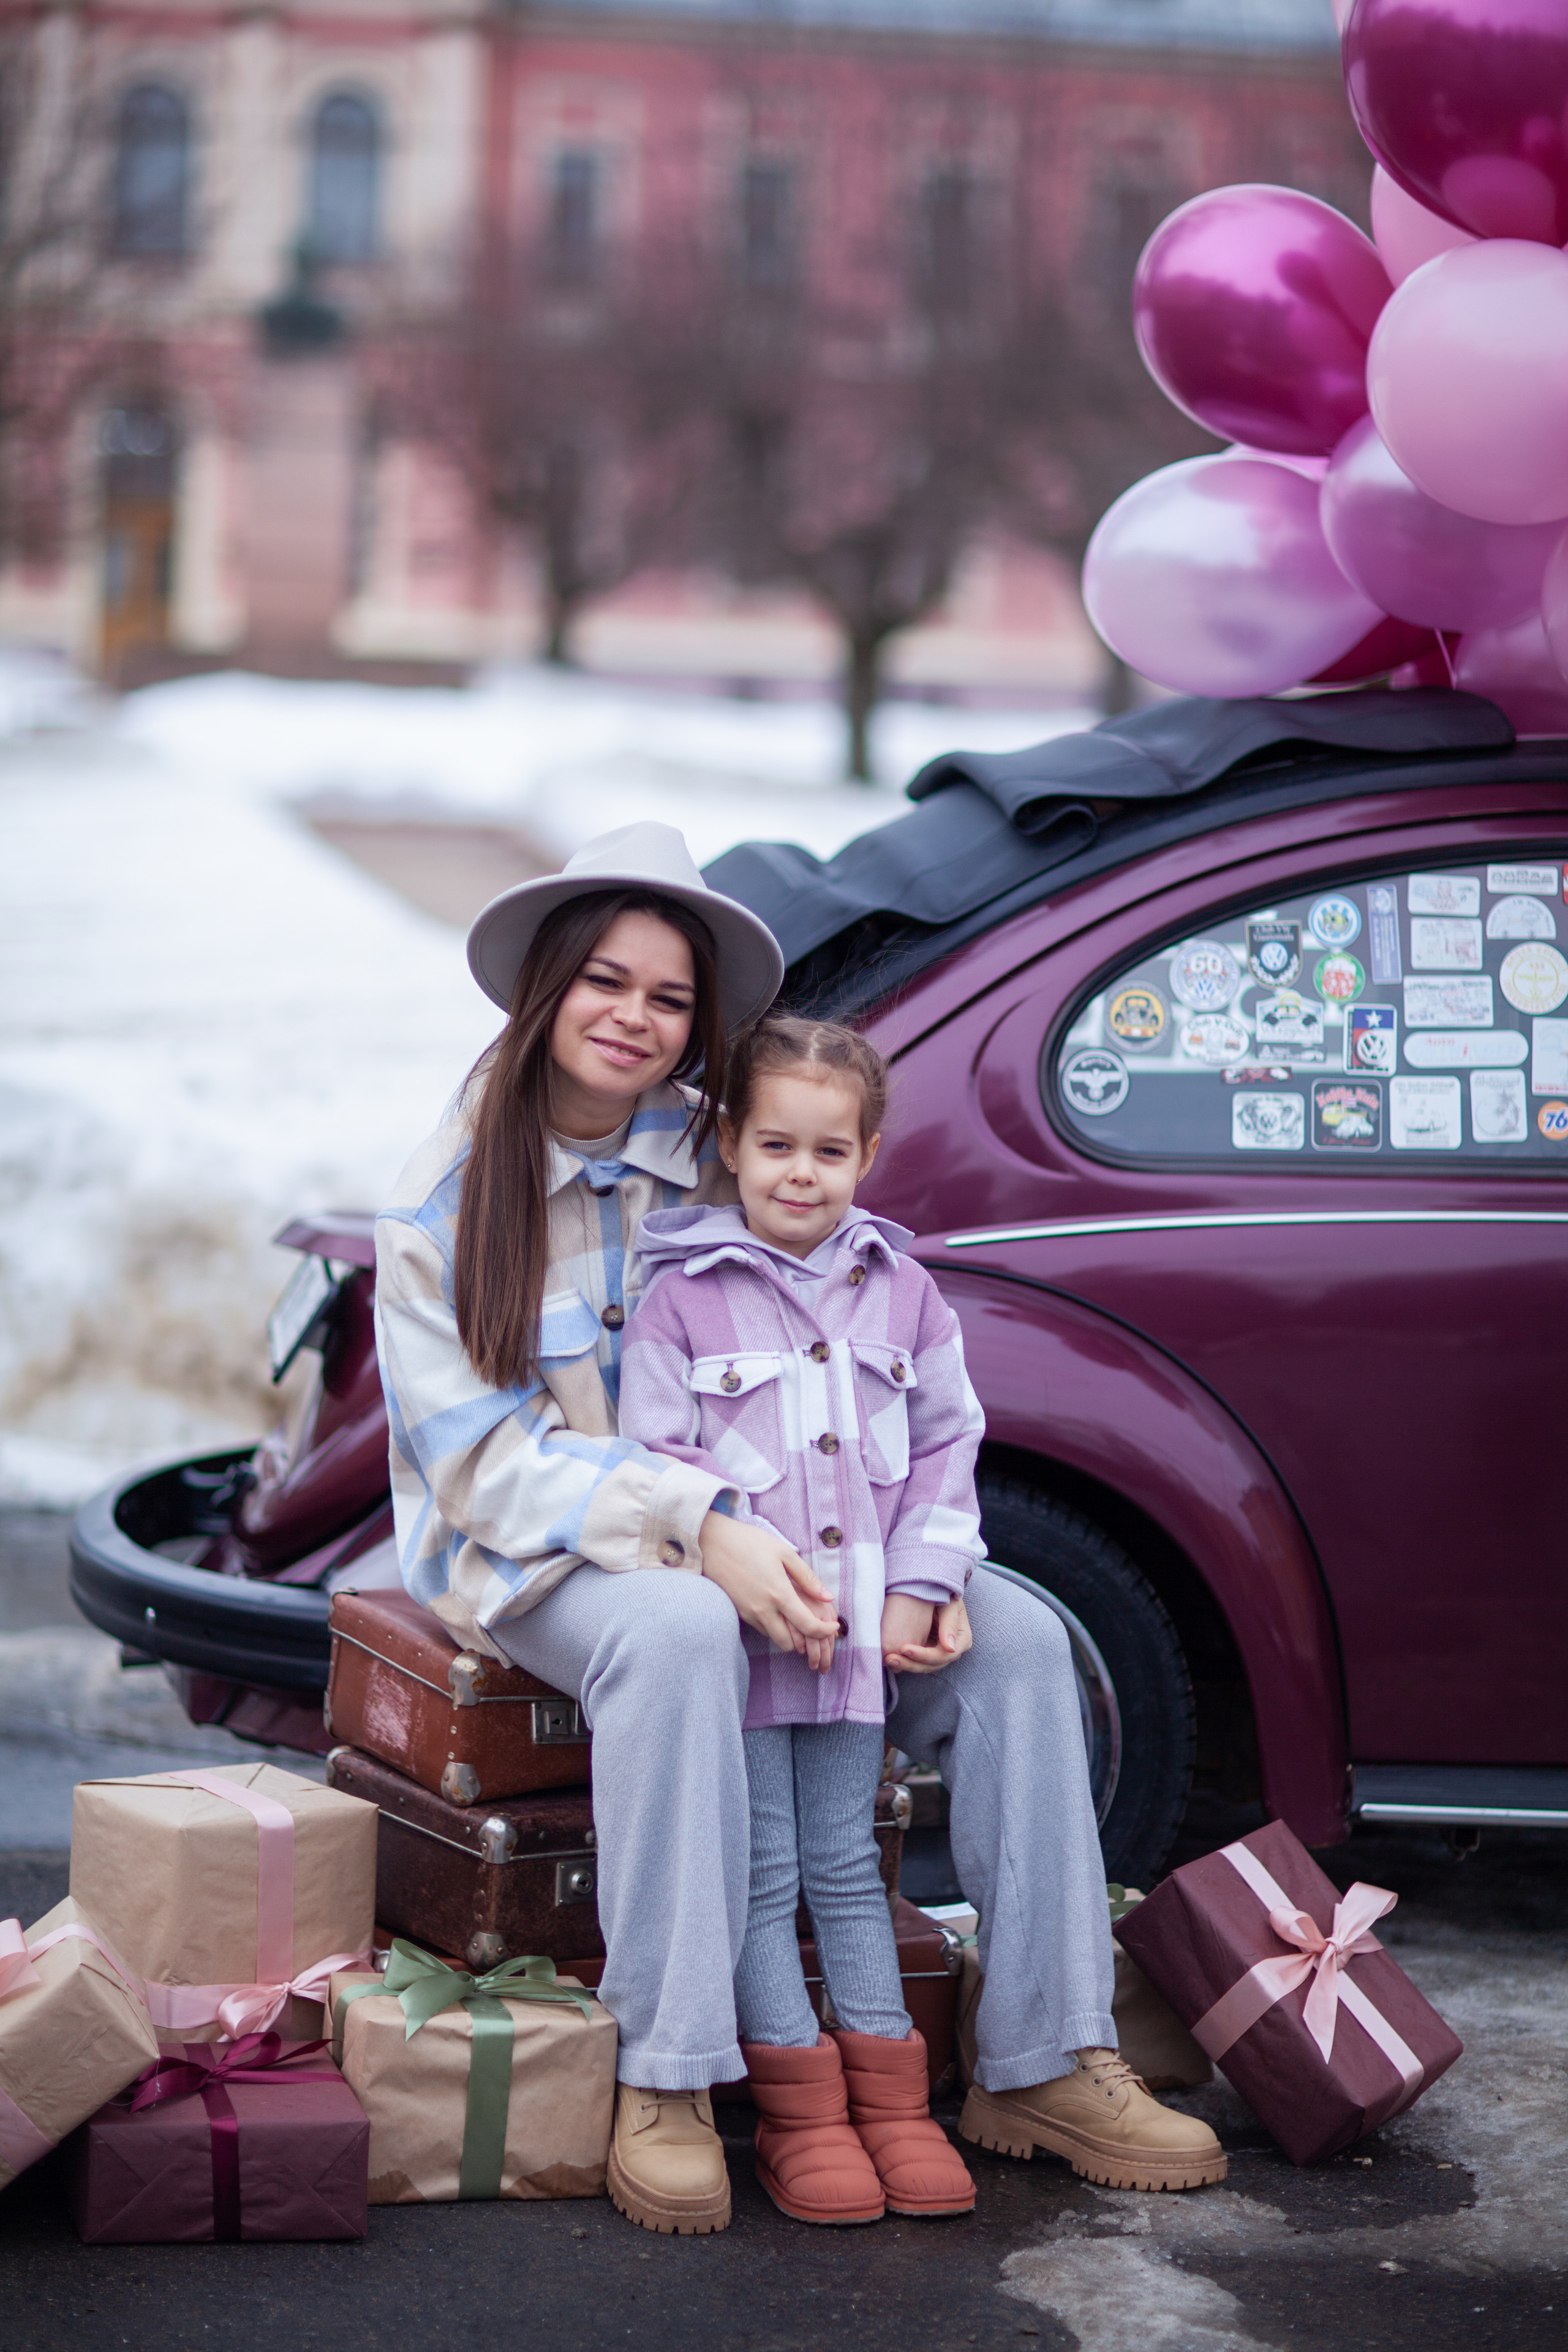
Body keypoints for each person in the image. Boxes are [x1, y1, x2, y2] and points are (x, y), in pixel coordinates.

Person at [374, 820, 1224, 2240]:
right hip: (545, 1558)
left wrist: (918, 1564)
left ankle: (1040, 2055)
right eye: (604, 980)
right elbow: (482, 1470)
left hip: (786, 1542)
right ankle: (671, 2065)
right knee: (676, 1627)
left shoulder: (723, 1141)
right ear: (541, 991)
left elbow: (854, 1343)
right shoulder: (447, 1201)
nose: (633, 1018)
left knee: (1011, 1637)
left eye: (667, 996)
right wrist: (697, 1524)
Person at [619, 1014, 981, 2225]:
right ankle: (799, 2111)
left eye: (828, 1152)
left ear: (866, 1155)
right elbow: (653, 1462)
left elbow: (943, 1443)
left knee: (846, 1858)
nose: (798, 1173)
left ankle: (892, 2106)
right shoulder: (680, 1300)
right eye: (774, 1144)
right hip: (748, 1639)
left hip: (856, 1640)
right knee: (764, 1867)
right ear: (727, 1142)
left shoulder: (906, 1292)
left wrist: (928, 1578)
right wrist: (727, 1552)